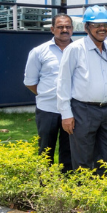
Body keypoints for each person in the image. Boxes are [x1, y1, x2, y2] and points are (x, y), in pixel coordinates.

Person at [55, 6, 107, 171]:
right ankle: (85, 195)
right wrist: (66, 115)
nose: (102, 28)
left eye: (104, 24)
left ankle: (105, 195)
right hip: (83, 111)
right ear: (86, 27)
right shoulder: (75, 49)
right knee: (83, 158)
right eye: (96, 25)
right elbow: (63, 83)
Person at [24, 13, 74, 171]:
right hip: (47, 110)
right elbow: (30, 82)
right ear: (52, 29)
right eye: (60, 27)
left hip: (73, 110)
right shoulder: (39, 51)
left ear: (72, 29)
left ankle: (67, 186)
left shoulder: (80, 50)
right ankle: (44, 186)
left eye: (67, 27)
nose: (64, 30)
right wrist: (48, 94)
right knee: (46, 150)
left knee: (70, 151)